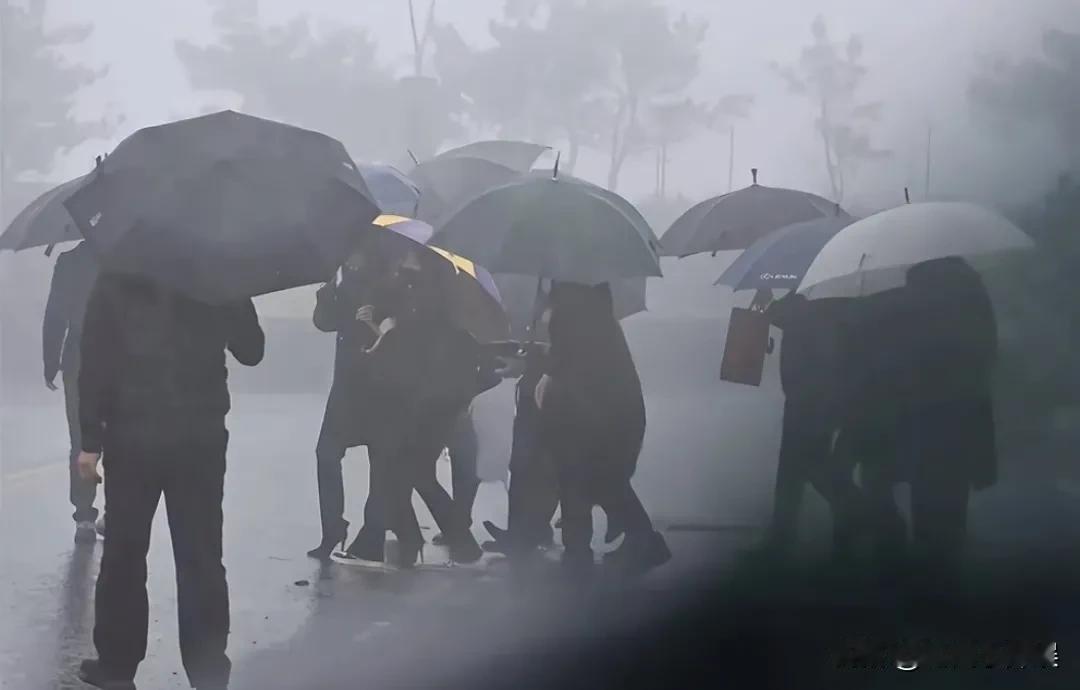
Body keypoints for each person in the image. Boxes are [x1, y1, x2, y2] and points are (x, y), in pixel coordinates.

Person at [75, 272, 264, 690]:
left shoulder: (118, 271)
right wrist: (231, 296)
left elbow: (94, 360)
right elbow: (252, 350)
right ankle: (208, 669)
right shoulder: (218, 267)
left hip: (132, 433)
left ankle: (117, 667)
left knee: (124, 552)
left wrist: (89, 441)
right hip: (200, 437)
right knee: (200, 555)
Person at [340, 250, 491, 567]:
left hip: (423, 400)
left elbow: (408, 346)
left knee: (410, 472)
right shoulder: (427, 288)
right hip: (432, 398)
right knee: (407, 473)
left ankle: (453, 540)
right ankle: (417, 540)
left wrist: (383, 330)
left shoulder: (420, 293)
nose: (402, 257)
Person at [535, 281, 669, 577]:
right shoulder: (602, 322)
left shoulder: (568, 316)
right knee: (605, 482)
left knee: (578, 481)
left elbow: (566, 364)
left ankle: (579, 554)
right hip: (613, 415)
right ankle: (641, 541)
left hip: (583, 417)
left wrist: (535, 358)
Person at [902, 257, 998, 566]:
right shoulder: (972, 290)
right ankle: (948, 558)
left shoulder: (915, 291)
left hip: (925, 407)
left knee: (925, 482)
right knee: (953, 486)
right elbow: (988, 349)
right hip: (963, 405)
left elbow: (900, 354)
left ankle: (928, 556)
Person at [757, 291, 865, 559]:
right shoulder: (836, 290)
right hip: (815, 392)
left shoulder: (815, 294)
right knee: (797, 467)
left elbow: (796, 318)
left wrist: (769, 309)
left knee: (805, 463)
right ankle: (786, 533)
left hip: (811, 394)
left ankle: (858, 509)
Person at [307, 242, 387, 559]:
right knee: (326, 454)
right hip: (348, 383)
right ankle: (333, 528)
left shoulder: (387, 281)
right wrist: (328, 288)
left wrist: (376, 322)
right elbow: (325, 322)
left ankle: (374, 534)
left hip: (381, 382)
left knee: (380, 460)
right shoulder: (343, 279)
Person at [42, 240, 101, 543]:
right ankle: (120, 509)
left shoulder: (69, 262)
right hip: (123, 357)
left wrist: (50, 360)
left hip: (77, 356)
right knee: (123, 436)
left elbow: (55, 314)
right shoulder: (127, 256)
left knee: (81, 437)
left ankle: (84, 513)